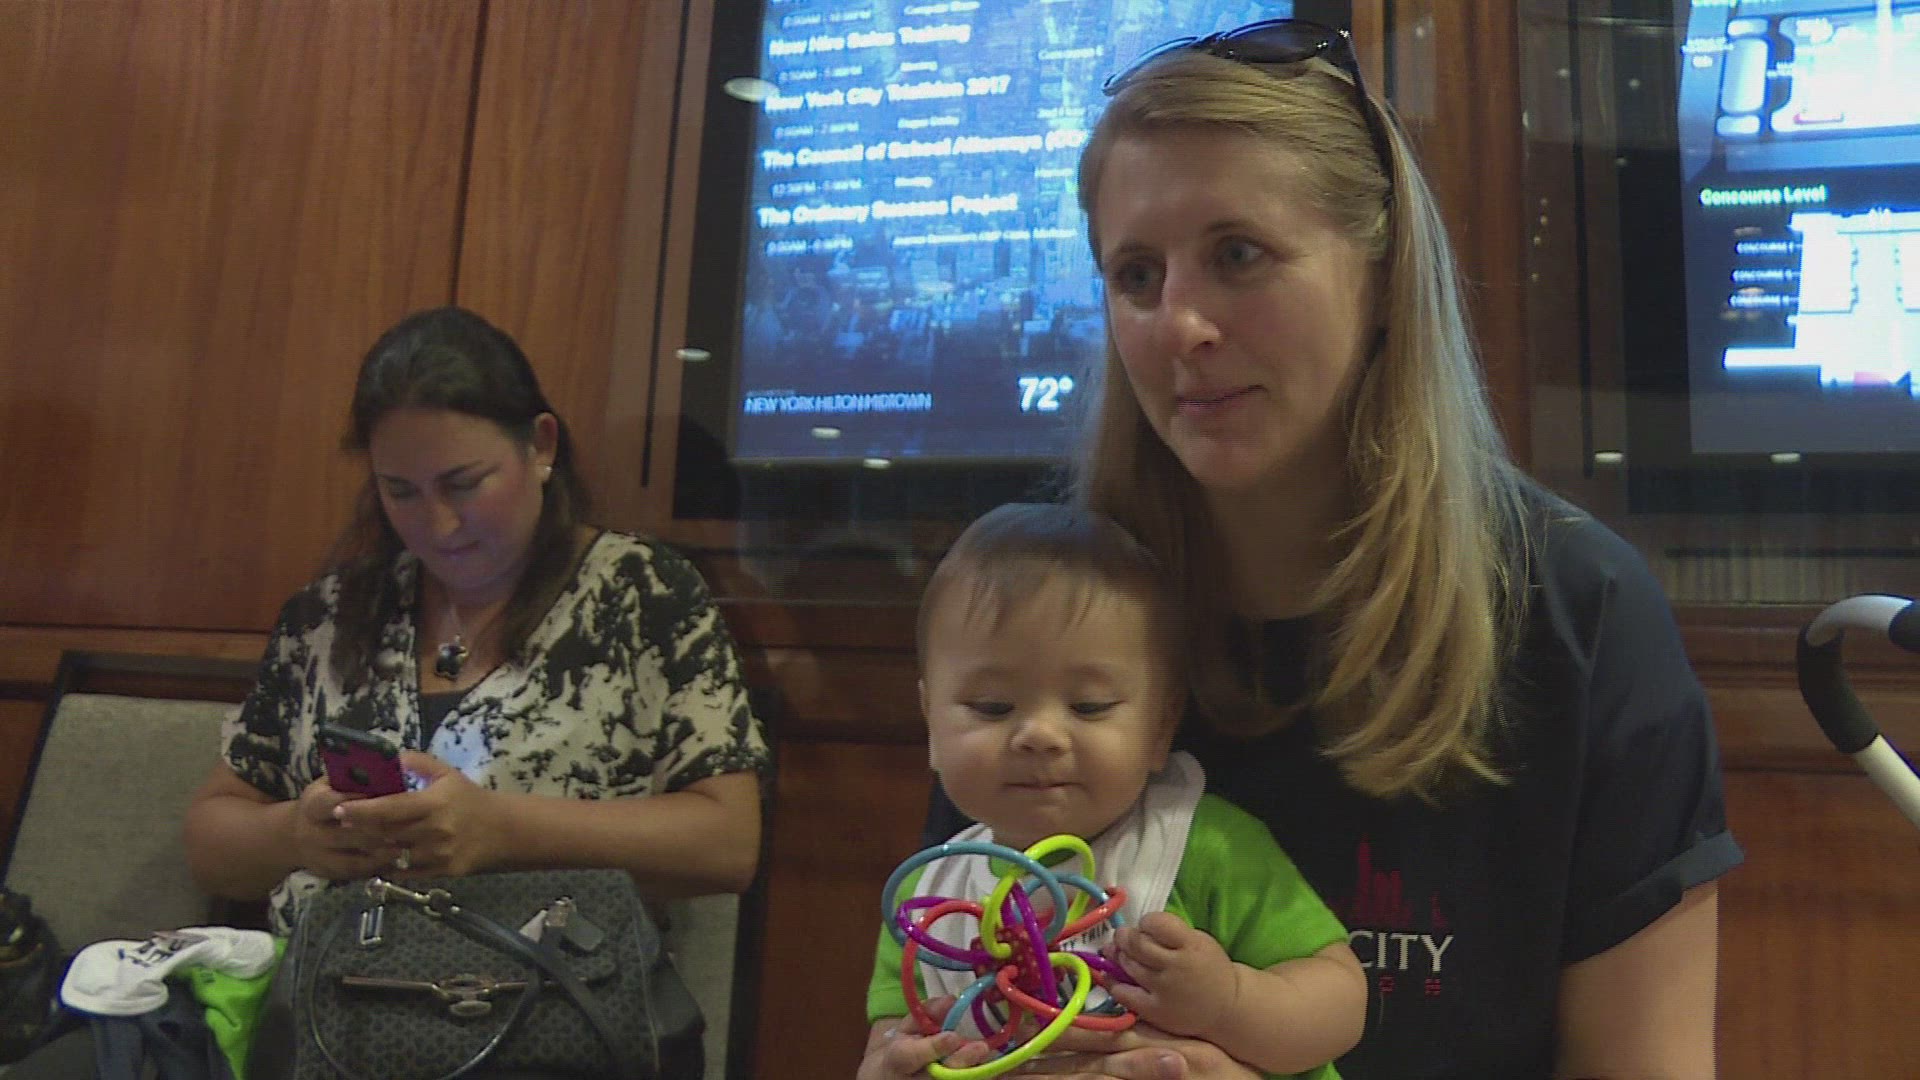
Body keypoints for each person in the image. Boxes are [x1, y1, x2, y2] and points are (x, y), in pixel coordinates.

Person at [901, 19, 1743, 1080]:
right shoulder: (1040, 603)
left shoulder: (1582, 617)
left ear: (1382, 276)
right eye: (1137, 275)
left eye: (1237, 255)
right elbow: (953, 1006)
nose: (1182, 325)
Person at [182, 305, 772, 934]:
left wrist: (501, 829)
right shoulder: (330, 616)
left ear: (540, 446)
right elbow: (212, 845)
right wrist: (296, 835)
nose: (438, 526)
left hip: (546, 983)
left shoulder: (640, 593)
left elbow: (727, 844)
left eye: (464, 484)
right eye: (400, 491)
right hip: (331, 982)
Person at [861, 503, 1365, 1080]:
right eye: (993, 706)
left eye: (1088, 706)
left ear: (1161, 725)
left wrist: (1227, 1002)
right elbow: (887, 1042)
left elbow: (1341, 1002)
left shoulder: (1205, 847)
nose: (1039, 735)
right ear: (930, 721)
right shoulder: (929, 901)